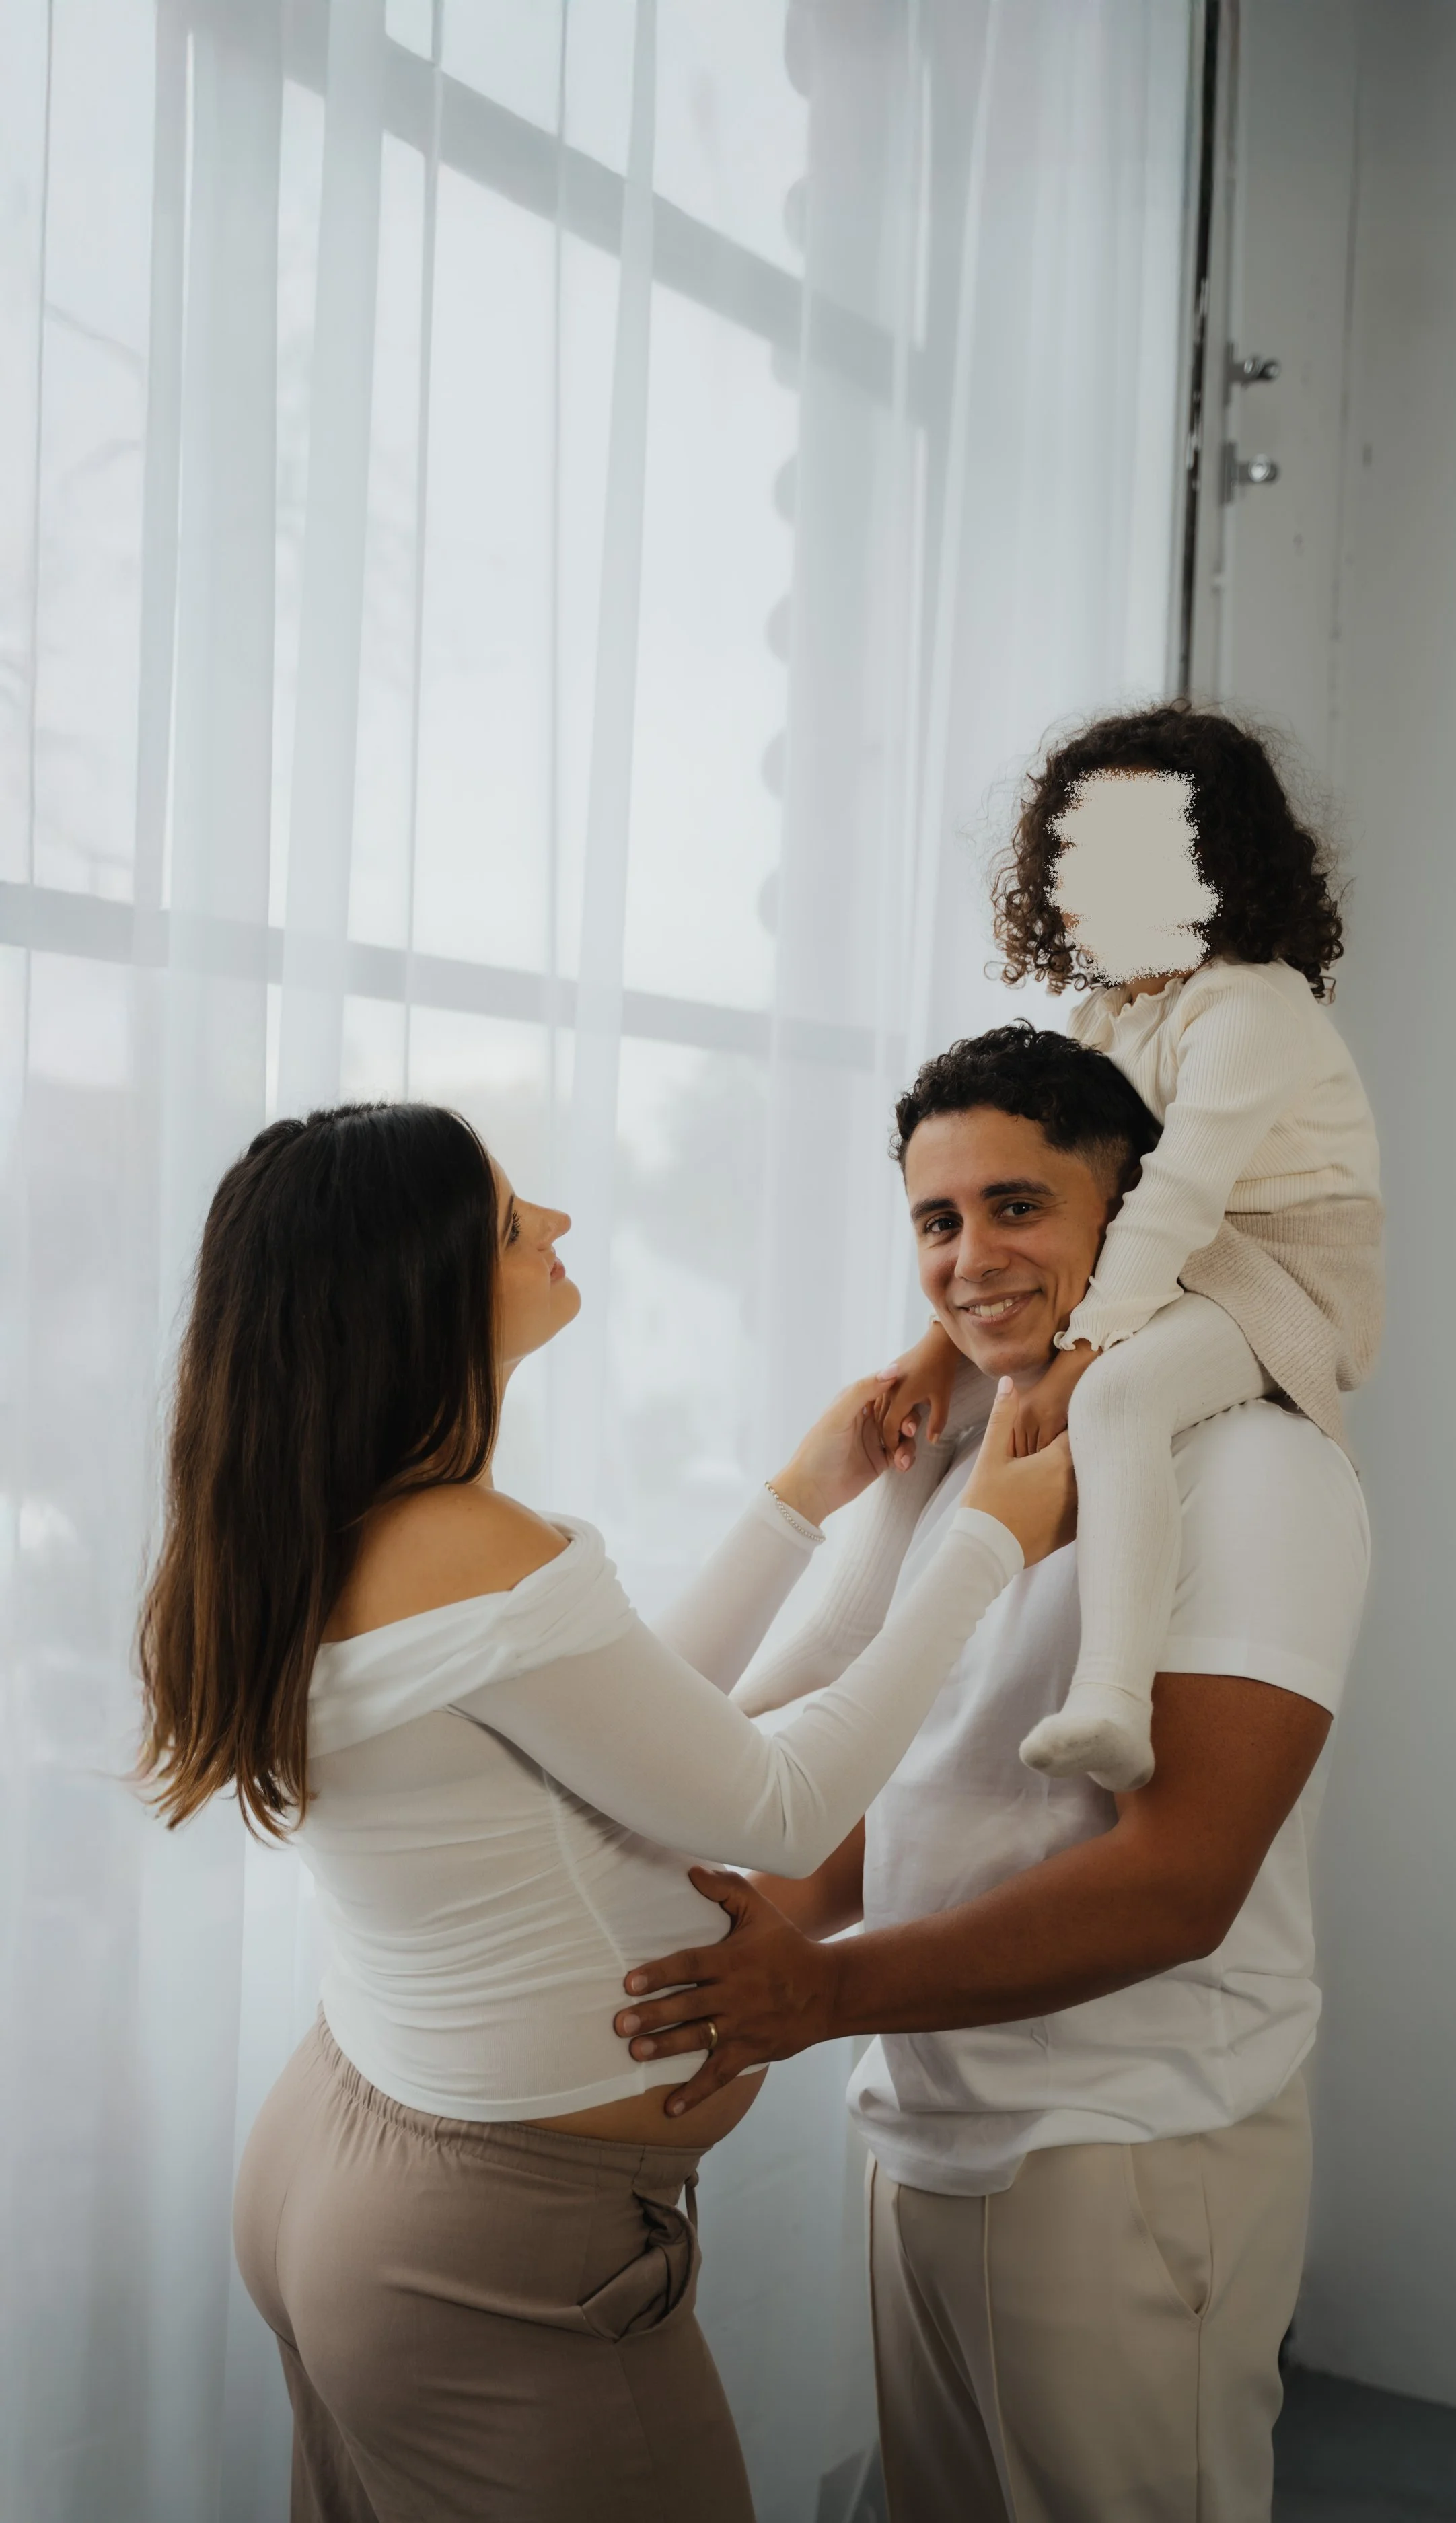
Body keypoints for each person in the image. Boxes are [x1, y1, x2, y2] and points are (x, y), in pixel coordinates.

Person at [134, 1100, 1071, 2522]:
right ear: (422, 1296)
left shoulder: (313, 1527)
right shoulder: (461, 1540)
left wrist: (803, 1496)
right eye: (515, 1225)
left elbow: (624, 1729)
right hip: (486, 2245)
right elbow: (774, 1802)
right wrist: (989, 1539)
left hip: (345, 2163)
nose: (559, 1229)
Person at [612, 1025, 1372, 2523]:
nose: (969, 1259)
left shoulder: (1254, 1470)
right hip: (919, 2120)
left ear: (1130, 1217)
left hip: (1127, 2150)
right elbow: (886, 1788)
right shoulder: (960, 1455)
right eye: (935, 1219)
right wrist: (712, 1958)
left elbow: (1178, 1886)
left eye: (1016, 1207)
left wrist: (820, 1996)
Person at [877, 702, 1382, 1791]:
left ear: (1218, 865)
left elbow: (1180, 1193)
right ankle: (821, 1680)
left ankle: (1111, 1698)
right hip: (1175, 1253)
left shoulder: (1251, 1005)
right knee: (926, 1420)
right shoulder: (1108, 1021)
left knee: (1111, 1403)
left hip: (1276, 1269)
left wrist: (1084, 1352)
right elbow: (1081, 1190)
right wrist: (939, 1348)